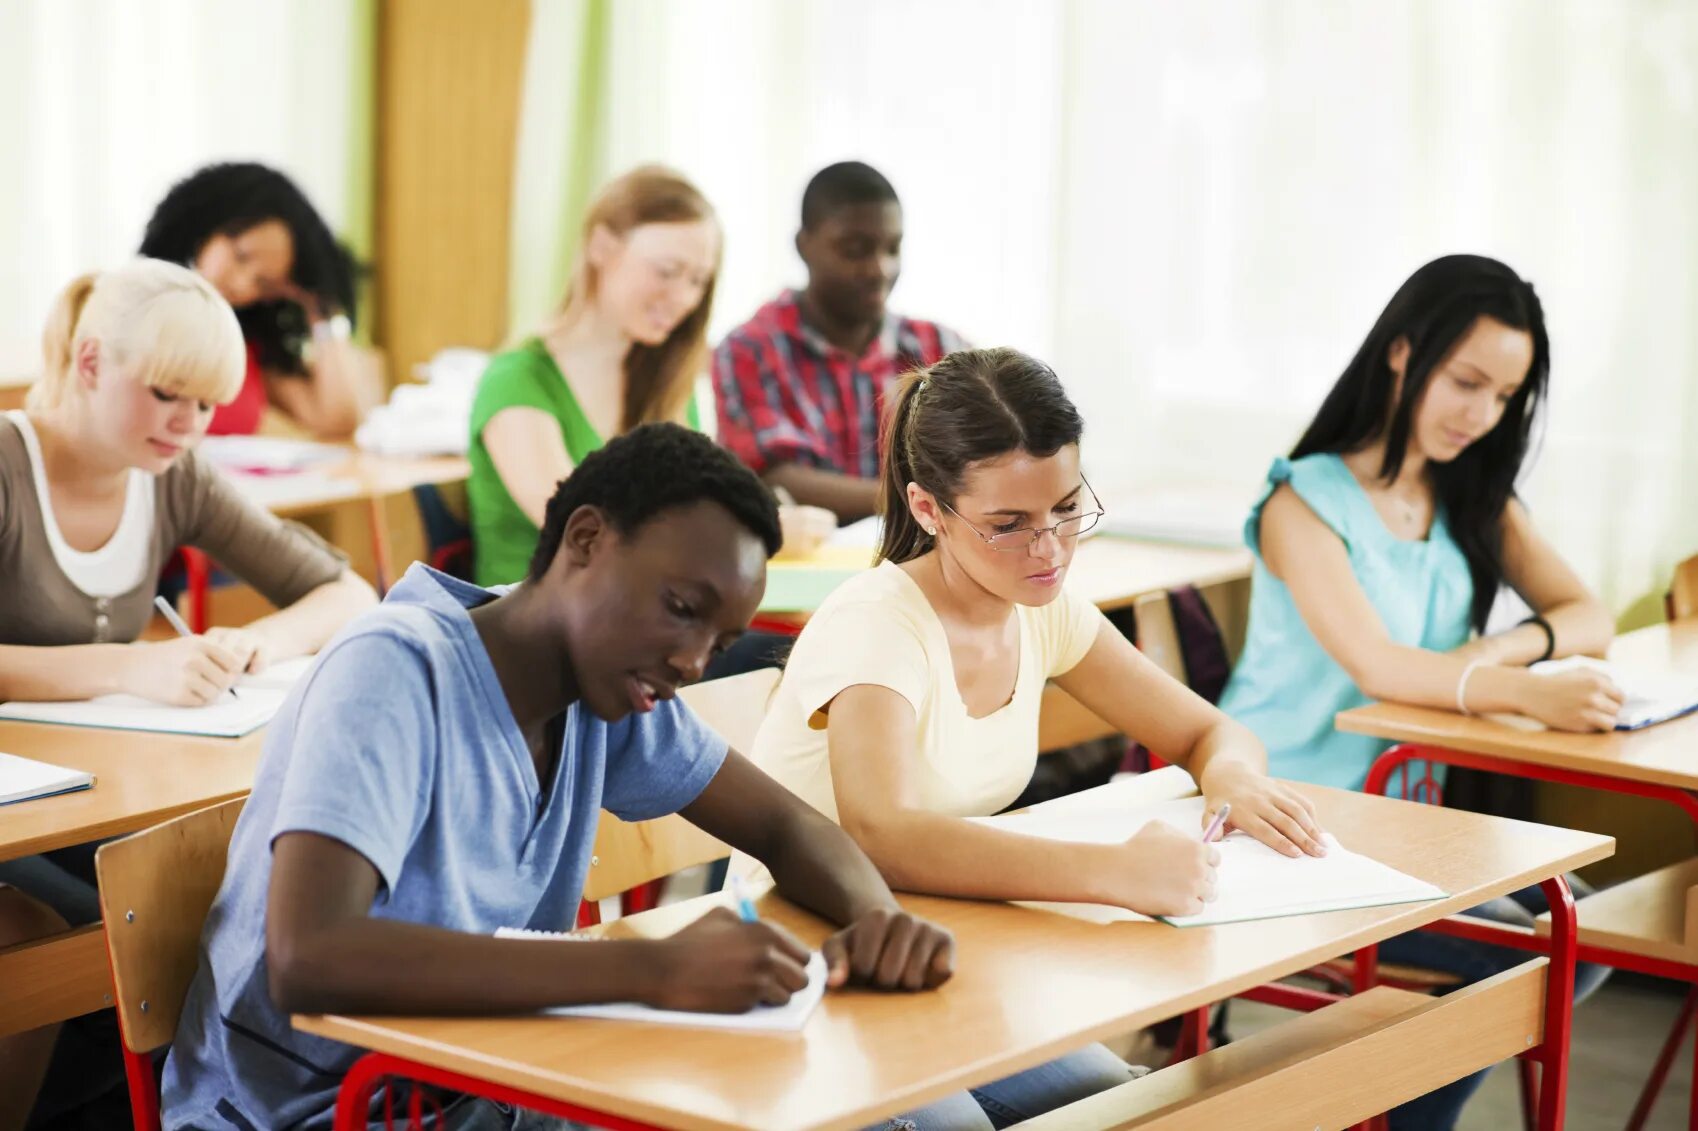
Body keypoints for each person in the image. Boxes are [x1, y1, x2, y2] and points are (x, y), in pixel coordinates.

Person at [161, 424, 958, 1131]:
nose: (691, 660)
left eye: (719, 642)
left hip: (492, 1082)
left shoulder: (608, 688)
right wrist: (654, 968)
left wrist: (877, 916)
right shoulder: (396, 668)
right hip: (312, 1108)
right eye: (682, 606)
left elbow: (789, 826)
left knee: (908, 1109)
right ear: (585, 540)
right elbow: (312, 954)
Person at [736, 347, 1325, 1129]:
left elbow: (1207, 729)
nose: (1047, 550)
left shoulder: (1042, 605)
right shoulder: (876, 623)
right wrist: (1114, 873)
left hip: (936, 946)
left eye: (1065, 511)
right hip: (802, 954)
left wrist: (1234, 775)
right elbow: (882, 834)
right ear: (927, 508)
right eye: (1008, 525)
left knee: (1116, 1105)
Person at [1216, 253, 1618, 1130]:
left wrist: (1512, 646)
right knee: (1527, 953)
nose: (1481, 414)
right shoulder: (1305, 499)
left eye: (1504, 396)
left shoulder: (1470, 496)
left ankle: (1393, 1110)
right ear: (1402, 353)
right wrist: (1516, 689)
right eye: (1466, 381)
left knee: (1583, 934)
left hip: (1402, 831)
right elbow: (1379, 666)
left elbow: (1589, 610)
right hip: (1286, 819)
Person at [0, 259, 376, 1126]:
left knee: (204, 906)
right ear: (91, 363)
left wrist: (256, 642)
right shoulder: (9, 465)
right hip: (21, 807)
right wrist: (132, 665)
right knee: (106, 944)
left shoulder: (174, 474)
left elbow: (345, 592)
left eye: (207, 403)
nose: (189, 424)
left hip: (92, 792)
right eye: (169, 393)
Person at [467, 165, 717, 588]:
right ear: (601, 247)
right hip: (541, 636)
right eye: (667, 271)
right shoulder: (516, 380)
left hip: (642, 620)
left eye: (697, 280)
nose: (684, 298)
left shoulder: (669, 382)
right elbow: (584, 529)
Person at [713, 161, 966, 522]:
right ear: (804, 246)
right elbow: (769, 476)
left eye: (892, 249)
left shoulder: (939, 347)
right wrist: (916, 498)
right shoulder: (749, 351)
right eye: (855, 250)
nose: (880, 268)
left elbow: (981, 459)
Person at [140, 162, 365, 439]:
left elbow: (337, 421)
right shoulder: (139, 320)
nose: (242, 284)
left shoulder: (243, 348)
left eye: (264, 284)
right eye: (241, 255)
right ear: (204, 228)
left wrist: (322, 313)